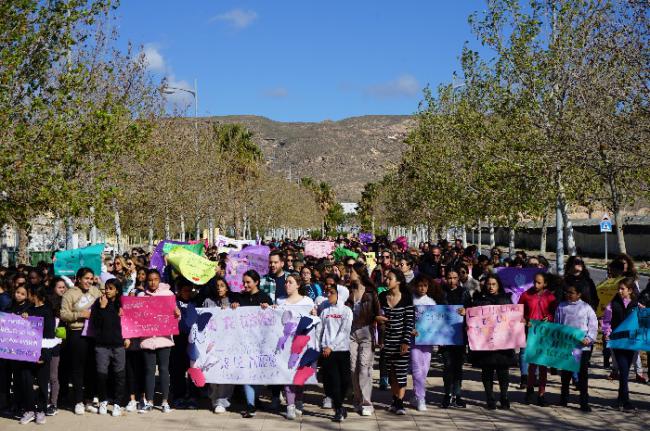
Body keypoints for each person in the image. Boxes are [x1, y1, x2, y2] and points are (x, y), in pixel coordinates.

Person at [467, 274, 516, 410]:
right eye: (488, 284)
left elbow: (513, 318)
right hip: (485, 343)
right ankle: (490, 397)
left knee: (503, 371)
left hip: (502, 343)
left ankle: (504, 396)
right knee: (487, 370)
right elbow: (472, 318)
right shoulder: (478, 300)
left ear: (498, 285)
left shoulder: (506, 300)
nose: (491, 287)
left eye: (494, 284)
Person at [137, 269, 181, 414]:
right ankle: (149, 401)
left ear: (159, 280)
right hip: (147, 339)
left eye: (155, 279)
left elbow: (175, 317)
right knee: (149, 371)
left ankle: (165, 401)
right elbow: (135, 318)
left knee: (164, 370)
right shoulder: (141, 296)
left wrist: (177, 314)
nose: (153, 282)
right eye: (150, 280)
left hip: (164, 339)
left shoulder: (168, 295)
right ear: (145, 281)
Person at [231, 270, 273, 418]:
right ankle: (250, 404)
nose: (245, 285)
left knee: (257, 373)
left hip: (260, 343)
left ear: (256, 282)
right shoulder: (240, 297)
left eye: (248, 282)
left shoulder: (264, 297)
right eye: (244, 282)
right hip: (244, 343)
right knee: (246, 373)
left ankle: (254, 400)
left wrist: (268, 308)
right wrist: (234, 307)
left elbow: (272, 318)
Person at [60, 267, 102, 415]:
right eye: (86, 278)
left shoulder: (95, 291)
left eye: (91, 278)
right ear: (78, 279)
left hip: (93, 333)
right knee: (78, 368)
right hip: (76, 333)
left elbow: (105, 300)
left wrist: (100, 283)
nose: (89, 281)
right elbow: (63, 314)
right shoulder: (70, 293)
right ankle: (78, 401)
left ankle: (89, 400)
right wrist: (79, 314)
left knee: (92, 367)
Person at [276, 274, 314, 420]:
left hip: (302, 344)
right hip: (286, 345)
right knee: (287, 374)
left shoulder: (307, 301)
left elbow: (313, 322)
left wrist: (314, 313)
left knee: (300, 374)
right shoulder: (280, 301)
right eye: (286, 282)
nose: (287, 284)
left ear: (298, 285)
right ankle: (290, 405)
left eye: (290, 282)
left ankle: (299, 399)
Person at [555, 284, 598, 412]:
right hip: (567, 346)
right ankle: (564, 397)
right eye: (567, 292)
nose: (568, 294)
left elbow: (593, 325)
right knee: (566, 374)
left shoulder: (586, 308)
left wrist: (589, 338)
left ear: (579, 294)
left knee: (582, 375)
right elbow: (557, 324)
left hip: (582, 347)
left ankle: (584, 401)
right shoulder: (561, 306)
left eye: (572, 292)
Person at [345, 262, 380, 416]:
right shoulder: (348, 290)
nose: (348, 273)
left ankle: (367, 402)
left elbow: (378, 313)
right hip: (351, 333)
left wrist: (381, 338)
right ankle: (358, 399)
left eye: (351, 271)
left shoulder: (371, 292)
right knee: (353, 368)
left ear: (358, 273)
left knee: (364, 367)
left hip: (366, 331)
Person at [17, 287, 55, 425]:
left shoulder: (47, 312)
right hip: (27, 354)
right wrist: (23, 317)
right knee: (26, 381)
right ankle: (29, 410)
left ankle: (41, 410)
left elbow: (49, 336)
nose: (28, 297)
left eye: (30, 294)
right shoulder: (28, 308)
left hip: (41, 355)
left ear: (36, 296)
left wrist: (44, 355)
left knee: (42, 383)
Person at [378, 268, 415, 415]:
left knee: (400, 373)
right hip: (387, 341)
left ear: (398, 281)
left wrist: (405, 341)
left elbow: (409, 321)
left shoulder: (406, 298)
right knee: (391, 372)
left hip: (401, 341)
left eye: (390, 278)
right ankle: (394, 399)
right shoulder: (381, 296)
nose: (387, 281)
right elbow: (377, 315)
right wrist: (378, 319)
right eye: (386, 278)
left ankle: (400, 403)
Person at [91, 278, 128, 417]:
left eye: (111, 288)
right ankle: (103, 400)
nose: (107, 291)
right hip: (102, 345)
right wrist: (101, 308)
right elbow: (95, 323)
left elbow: (131, 323)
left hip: (118, 344)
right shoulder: (99, 302)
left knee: (119, 374)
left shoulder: (122, 304)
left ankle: (118, 403)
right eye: (106, 288)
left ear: (117, 290)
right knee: (101, 375)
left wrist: (128, 337)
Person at [518, 272, 556, 406]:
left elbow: (555, 313)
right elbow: (518, 312)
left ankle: (541, 394)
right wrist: (525, 320)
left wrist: (549, 318)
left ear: (545, 284)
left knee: (543, 366)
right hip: (531, 333)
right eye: (534, 281)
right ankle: (529, 391)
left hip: (545, 334)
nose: (535, 284)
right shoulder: (526, 295)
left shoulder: (550, 297)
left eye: (539, 282)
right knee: (532, 366)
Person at [602, 277, 638, 411]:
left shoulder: (636, 304)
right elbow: (606, 321)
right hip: (617, 341)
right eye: (619, 288)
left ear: (630, 290)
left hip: (631, 342)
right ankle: (627, 402)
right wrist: (607, 333)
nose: (620, 291)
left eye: (622, 289)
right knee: (623, 370)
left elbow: (642, 322)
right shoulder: (613, 304)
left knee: (625, 371)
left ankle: (619, 400)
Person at [319, 285, 353, 422]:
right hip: (327, 352)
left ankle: (339, 404)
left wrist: (332, 346)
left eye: (332, 292)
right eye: (328, 292)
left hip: (342, 350)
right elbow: (319, 330)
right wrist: (322, 346)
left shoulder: (346, 311)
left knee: (345, 381)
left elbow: (344, 331)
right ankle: (338, 409)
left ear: (340, 295)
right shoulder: (325, 311)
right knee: (335, 381)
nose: (328, 295)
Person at [440, 269, 471, 408]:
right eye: (449, 277)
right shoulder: (441, 292)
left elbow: (472, 310)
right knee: (447, 366)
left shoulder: (464, 292)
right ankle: (447, 394)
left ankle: (457, 394)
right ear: (445, 278)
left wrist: (466, 312)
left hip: (459, 334)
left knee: (458, 366)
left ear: (459, 278)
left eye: (454, 277)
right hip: (444, 335)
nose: (452, 280)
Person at [410, 274, 438, 411]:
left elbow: (436, 322)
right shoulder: (411, 301)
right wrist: (411, 328)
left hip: (427, 340)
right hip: (414, 339)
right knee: (416, 366)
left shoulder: (431, 302)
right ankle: (421, 398)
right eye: (419, 285)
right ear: (415, 286)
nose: (422, 288)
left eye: (425, 286)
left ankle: (417, 395)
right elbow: (407, 318)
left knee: (425, 367)